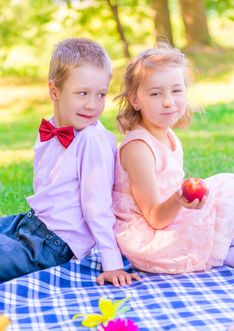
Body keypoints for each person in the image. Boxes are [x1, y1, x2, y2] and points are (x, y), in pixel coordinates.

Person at [0, 38, 140, 286]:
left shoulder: (92, 140)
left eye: (101, 95)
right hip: (30, 223)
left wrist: (112, 263)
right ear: (54, 91)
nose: (92, 104)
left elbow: (98, 207)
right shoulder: (52, 128)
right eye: (82, 93)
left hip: (52, 245)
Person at [113, 42, 234, 274]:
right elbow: (154, 218)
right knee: (227, 186)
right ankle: (220, 250)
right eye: (156, 93)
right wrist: (179, 200)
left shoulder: (168, 135)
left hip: (171, 219)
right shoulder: (138, 148)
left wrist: (184, 201)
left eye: (176, 90)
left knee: (222, 197)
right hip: (152, 240)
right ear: (135, 100)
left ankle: (223, 251)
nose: (168, 101)